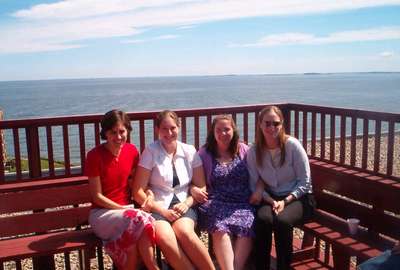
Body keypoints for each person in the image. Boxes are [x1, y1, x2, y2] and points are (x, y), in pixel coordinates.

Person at [132, 110, 215, 270]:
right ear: (157, 130)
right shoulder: (151, 151)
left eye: (172, 128)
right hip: (158, 205)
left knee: (185, 232)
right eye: (164, 129)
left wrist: (187, 203)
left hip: (184, 203)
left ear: (179, 127)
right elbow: (137, 191)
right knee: (165, 237)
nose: (169, 133)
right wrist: (163, 212)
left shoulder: (189, 151)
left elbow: (201, 186)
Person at [85, 110, 158, 270]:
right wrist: (123, 209)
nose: (118, 137)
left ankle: (152, 267)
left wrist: (149, 194)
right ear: (105, 133)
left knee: (131, 245)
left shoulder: (132, 151)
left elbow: (135, 183)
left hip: (128, 214)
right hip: (102, 214)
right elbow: (97, 197)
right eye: (113, 132)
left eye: (122, 131)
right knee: (140, 219)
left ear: (128, 131)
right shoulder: (94, 156)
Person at [247, 105, 315, 270]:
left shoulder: (292, 146)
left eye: (276, 123)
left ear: (282, 124)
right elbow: (253, 183)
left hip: (299, 198)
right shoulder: (254, 151)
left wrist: (285, 201)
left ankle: (283, 267)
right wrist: (271, 201)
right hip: (271, 197)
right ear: (260, 124)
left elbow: (305, 182)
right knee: (263, 220)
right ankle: (262, 266)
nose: (271, 127)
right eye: (267, 123)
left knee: (282, 221)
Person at [194, 114, 255, 270]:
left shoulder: (244, 150)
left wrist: (260, 190)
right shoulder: (204, 153)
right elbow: (192, 179)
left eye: (227, 129)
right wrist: (192, 189)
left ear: (233, 130)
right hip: (216, 201)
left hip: (242, 202)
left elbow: (259, 174)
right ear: (212, 133)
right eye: (218, 130)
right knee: (219, 227)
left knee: (247, 225)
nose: (223, 134)